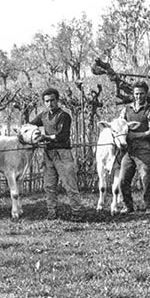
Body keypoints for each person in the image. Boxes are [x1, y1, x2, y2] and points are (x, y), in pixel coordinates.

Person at [29, 88, 84, 220]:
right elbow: (30, 125)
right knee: (49, 186)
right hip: (48, 154)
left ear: (57, 100)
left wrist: (46, 137)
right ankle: (52, 212)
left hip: (63, 154)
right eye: (47, 101)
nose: (50, 103)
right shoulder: (43, 116)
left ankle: (77, 212)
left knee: (69, 184)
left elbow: (63, 136)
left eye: (52, 100)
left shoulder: (64, 116)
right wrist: (26, 132)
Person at [119, 81, 150, 214]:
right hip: (128, 151)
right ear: (133, 94)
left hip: (144, 149)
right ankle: (128, 206)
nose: (139, 96)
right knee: (123, 180)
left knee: (146, 179)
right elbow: (120, 125)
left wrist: (135, 135)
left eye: (142, 94)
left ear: (146, 94)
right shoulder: (126, 110)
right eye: (136, 94)